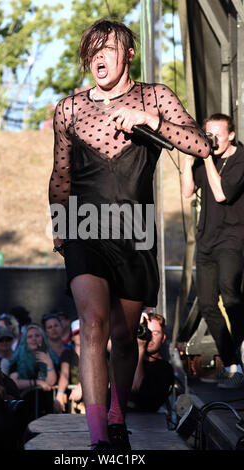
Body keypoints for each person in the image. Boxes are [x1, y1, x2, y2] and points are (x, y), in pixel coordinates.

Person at [49, 18, 210, 450]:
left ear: (129, 54)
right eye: (92, 51)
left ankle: (118, 415)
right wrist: (60, 227)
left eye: (108, 49)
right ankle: (100, 438)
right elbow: (61, 175)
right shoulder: (68, 108)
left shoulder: (155, 96)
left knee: (123, 336)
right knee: (94, 323)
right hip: (82, 226)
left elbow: (201, 145)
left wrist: (152, 120)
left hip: (134, 230)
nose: (99, 58)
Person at [181, 113, 244, 389]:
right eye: (208, 134)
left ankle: (241, 358)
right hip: (206, 240)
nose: (212, 140)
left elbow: (221, 194)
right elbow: (187, 191)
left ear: (231, 135)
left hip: (232, 238)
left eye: (217, 134)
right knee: (207, 304)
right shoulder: (205, 158)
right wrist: (187, 156)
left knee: (230, 295)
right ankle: (231, 362)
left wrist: (206, 157)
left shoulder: (240, 159)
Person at [128, 311, 174, 412]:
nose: (149, 337)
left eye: (155, 333)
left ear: (163, 338)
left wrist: (140, 348)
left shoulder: (165, 369)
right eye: (146, 331)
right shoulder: (125, 359)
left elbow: (137, 390)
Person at [9, 323, 57, 392]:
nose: (34, 339)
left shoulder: (50, 355)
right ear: (25, 340)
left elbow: (51, 382)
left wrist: (49, 364)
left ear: (43, 338)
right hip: (24, 399)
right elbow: (14, 382)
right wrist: (37, 382)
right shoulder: (17, 358)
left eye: (37, 336)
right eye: (30, 337)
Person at [54, 319, 83, 413]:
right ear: (72, 337)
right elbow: (64, 374)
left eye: (83, 331)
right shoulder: (67, 353)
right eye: (77, 333)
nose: (80, 335)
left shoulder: (97, 352)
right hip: (73, 402)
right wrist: (60, 393)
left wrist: (82, 386)